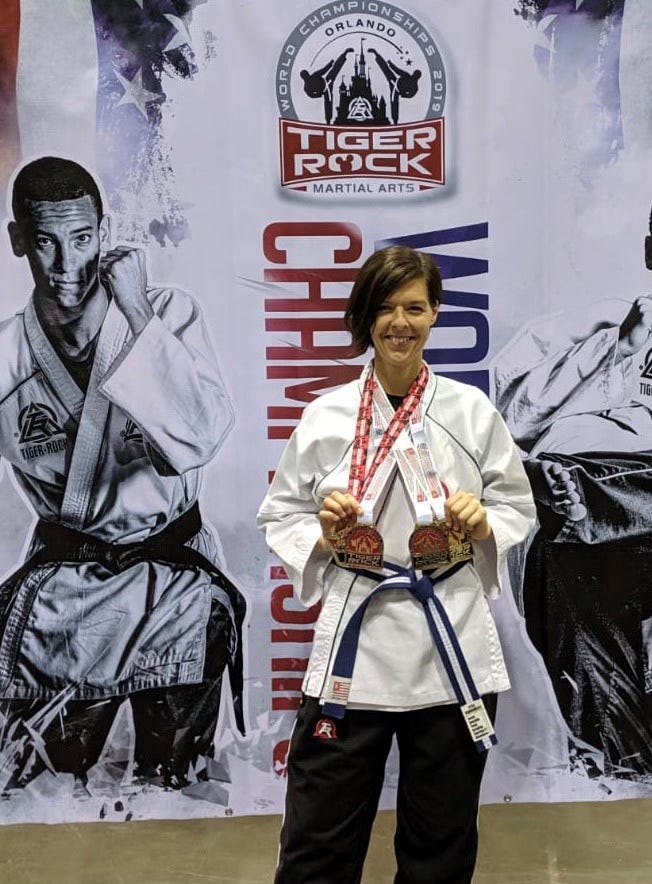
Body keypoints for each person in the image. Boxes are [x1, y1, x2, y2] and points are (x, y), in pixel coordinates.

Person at [0, 155, 245, 790]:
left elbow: (198, 438)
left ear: (105, 234)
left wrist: (138, 313)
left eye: (82, 240)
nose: (66, 265)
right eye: (46, 243)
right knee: (27, 783)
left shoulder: (169, 315)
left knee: (178, 786)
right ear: (17, 241)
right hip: (67, 585)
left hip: (174, 581)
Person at [258, 246, 535, 884]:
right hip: (360, 637)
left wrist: (484, 520)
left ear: (436, 314)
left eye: (414, 307)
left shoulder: (471, 412)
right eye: (385, 308)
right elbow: (280, 515)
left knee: (439, 842)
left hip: (449, 639)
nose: (399, 322)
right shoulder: (326, 416)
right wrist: (323, 535)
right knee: (317, 842)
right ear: (365, 318)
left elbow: (517, 504)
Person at [494, 170, 652, 775]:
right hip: (580, 544)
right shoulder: (604, 321)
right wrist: (616, 347)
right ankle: (589, 493)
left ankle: (592, 495)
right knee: (616, 760)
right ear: (649, 249)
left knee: (651, 760)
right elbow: (510, 413)